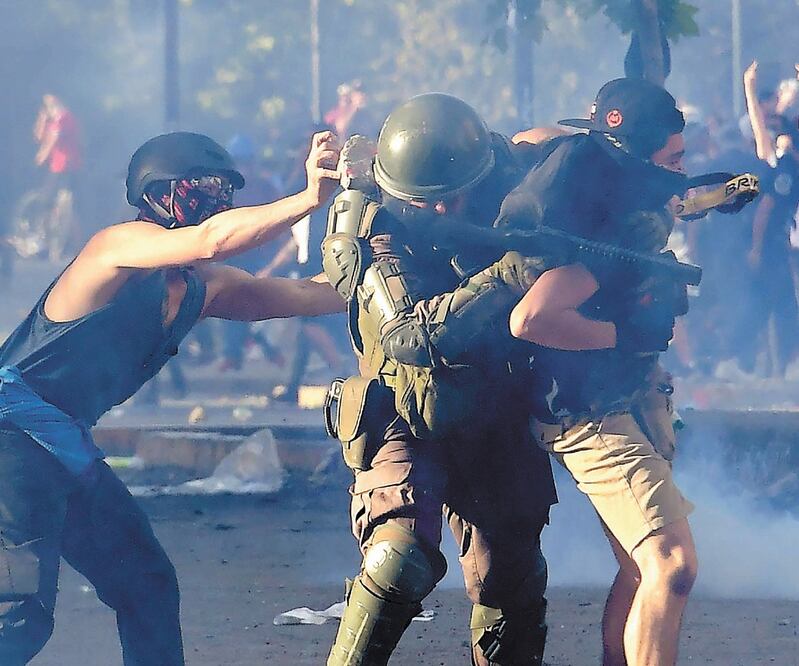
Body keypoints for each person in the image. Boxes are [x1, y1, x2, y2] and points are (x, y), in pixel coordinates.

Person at [0, 129, 344, 665]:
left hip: (63, 450)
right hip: (11, 438)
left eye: (223, 190)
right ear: (159, 195)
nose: (217, 201)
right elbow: (211, 239)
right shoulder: (116, 247)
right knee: (18, 616)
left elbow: (310, 294)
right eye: (202, 188)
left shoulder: (202, 289)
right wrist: (307, 199)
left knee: (147, 586)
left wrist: (412, 264)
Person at [323, 93, 557, 666]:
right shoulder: (370, 222)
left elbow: (559, 147)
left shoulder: (497, 174)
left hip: (494, 403)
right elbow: (408, 335)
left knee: (511, 575)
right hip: (404, 404)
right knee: (398, 558)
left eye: (460, 196)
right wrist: (504, 278)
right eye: (434, 202)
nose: (451, 211)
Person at [502, 78, 697, 666]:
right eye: (672, 159)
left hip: (623, 393)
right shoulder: (617, 227)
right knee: (671, 563)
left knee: (643, 569)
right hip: (591, 411)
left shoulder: (606, 178)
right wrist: (625, 335)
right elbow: (531, 317)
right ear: (636, 155)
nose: (681, 172)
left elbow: (532, 136)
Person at [32, 94, 82, 261]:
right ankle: (63, 245)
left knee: (61, 206)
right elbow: (39, 137)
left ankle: (65, 246)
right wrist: (41, 119)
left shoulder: (64, 117)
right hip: (56, 167)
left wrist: (42, 155)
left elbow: (53, 139)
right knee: (55, 206)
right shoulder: (52, 119)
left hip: (66, 167)